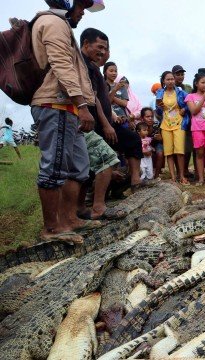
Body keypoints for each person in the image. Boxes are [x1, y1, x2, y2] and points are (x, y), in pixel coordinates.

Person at [31, 0, 103, 244]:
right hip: (56, 104)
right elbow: (62, 66)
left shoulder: (60, 24)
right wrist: (82, 106)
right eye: (81, 7)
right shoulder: (53, 22)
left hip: (68, 107)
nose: (82, 13)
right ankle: (52, 229)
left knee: (78, 165)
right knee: (55, 166)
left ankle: (69, 219)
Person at [77, 27, 120, 220]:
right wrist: (106, 123)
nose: (103, 52)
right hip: (80, 120)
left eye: (106, 49)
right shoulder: (80, 64)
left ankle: (80, 209)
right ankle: (98, 207)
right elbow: (92, 99)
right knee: (108, 159)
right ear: (86, 44)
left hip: (88, 121)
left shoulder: (91, 66)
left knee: (82, 168)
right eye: (100, 47)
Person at [103, 61, 143, 190]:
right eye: (111, 70)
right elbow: (106, 102)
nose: (114, 73)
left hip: (122, 122)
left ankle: (135, 180)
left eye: (115, 71)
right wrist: (114, 91)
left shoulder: (123, 88)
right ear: (105, 72)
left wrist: (114, 94)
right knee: (113, 153)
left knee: (134, 140)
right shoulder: (102, 85)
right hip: (106, 122)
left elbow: (125, 104)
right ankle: (110, 187)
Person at [156, 71, 189, 184]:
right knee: (169, 152)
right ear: (164, 81)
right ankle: (173, 177)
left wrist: (185, 109)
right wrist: (159, 107)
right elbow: (159, 111)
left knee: (179, 151)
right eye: (168, 79)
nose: (170, 81)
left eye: (172, 79)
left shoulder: (180, 92)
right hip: (165, 124)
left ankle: (182, 176)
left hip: (179, 123)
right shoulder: (160, 92)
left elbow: (189, 103)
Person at [173, 64, 194, 179]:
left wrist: (185, 109)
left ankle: (185, 170)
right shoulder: (168, 88)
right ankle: (178, 171)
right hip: (172, 122)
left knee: (187, 146)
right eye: (178, 74)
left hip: (186, 121)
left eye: (182, 74)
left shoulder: (188, 88)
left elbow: (191, 102)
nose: (180, 77)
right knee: (176, 147)